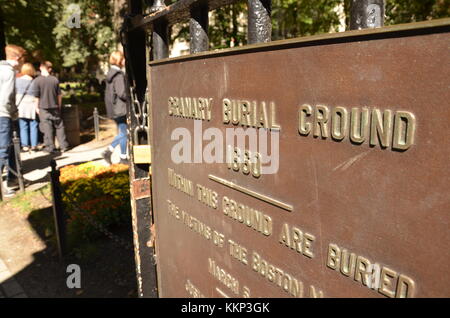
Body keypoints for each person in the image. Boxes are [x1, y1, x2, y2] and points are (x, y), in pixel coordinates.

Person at [0, 44, 25, 197]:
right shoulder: (9, 72)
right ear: (17, 58)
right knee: (3, 149)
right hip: (3, 114)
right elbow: (6, 98)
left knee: (6, 149)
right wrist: (14, 112)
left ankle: (12, 179)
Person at [34, 61, 69, 153]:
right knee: (59, 126)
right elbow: (59, 95)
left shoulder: (37, 80)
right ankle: (63, 145)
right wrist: (59, 106)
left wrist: (36, 107)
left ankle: (50, 147)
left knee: (47, 127)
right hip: (55, 106)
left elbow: (36, 96)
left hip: (43, 107)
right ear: (50, 69)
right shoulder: (54, 80)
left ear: (41, 67)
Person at [102, 51, 129, 165]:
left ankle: (121, 156)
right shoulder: (118, 75)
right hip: (120, 108)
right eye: (123, 58)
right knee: (124, 133)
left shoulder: (110, 73)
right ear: (119, 60)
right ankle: (110, 152)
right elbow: (122, 93)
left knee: (123, 132)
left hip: (114, 108)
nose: (124, 61)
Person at [16, 63, 39, 152]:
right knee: (33, 125)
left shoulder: (17, 81)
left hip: (21, 105)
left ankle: (25, 145)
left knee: (23, 126)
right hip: (32, 105)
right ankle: (34, 145)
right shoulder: (35, 81)